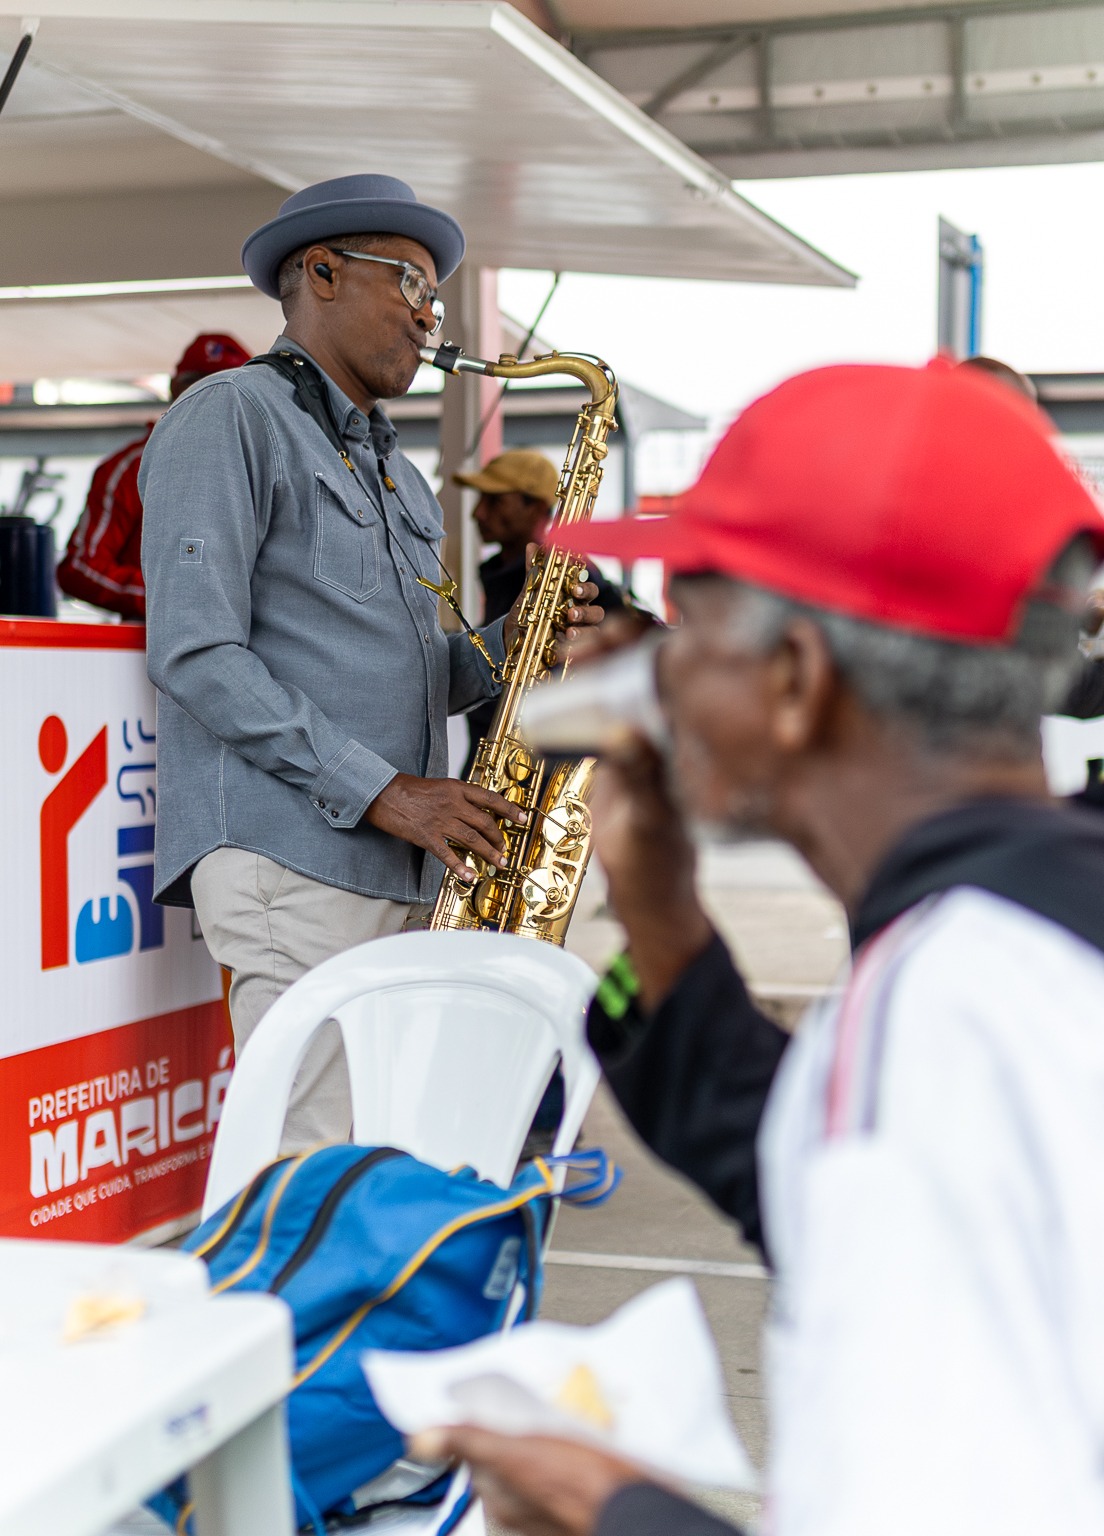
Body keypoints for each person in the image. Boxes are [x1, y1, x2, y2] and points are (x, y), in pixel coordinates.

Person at [412, 359, 1104, 1535]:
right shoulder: (1015, 929)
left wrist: (614, 1509)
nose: (657, 675)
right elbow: (826, 1201)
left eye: (691, 632)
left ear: (793, 680)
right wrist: (661, 915)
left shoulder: (953, 1011)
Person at [139, 175, 602, 1150]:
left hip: (399, 865)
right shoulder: (228, 416)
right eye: (412, 284)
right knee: (309, 1162)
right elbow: (197, 652)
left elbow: (410, 671)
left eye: (437, 296)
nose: (431, 316)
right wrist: (385, 791)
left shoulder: (396, 469)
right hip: (292, 858)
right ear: (321, 273)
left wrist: (516, 641)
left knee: (387, 1161)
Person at [453, 448, 627, 777]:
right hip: (490, 761)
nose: (478, 513)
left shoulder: (576, 579)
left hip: (535, 775)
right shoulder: (500, 571)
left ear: (535, 508)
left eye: (495, 501)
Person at [56, 333, 250, 618]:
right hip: (153, 639)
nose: (214, 400)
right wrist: (170, 596)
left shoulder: (261, 469)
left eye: (229, 390)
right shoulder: (131, 468)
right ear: (175, 388)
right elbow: (80, 567)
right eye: (201, 385)